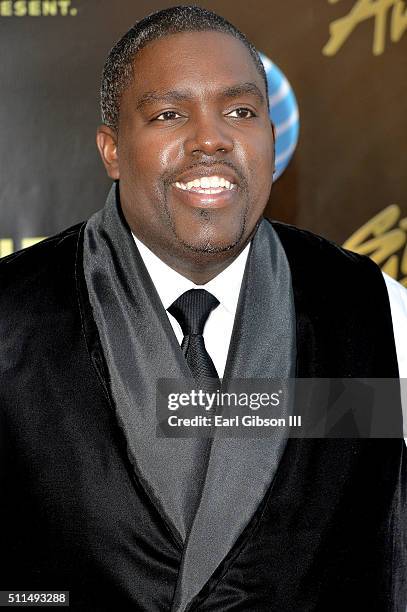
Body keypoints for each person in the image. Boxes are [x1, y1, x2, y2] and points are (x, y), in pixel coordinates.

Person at [0, 6, 405, 611]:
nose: (212, 138)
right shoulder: (11, 316)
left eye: (240, 112)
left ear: (272, 137)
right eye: (169, 114)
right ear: (112, 149)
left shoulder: (374, 308)